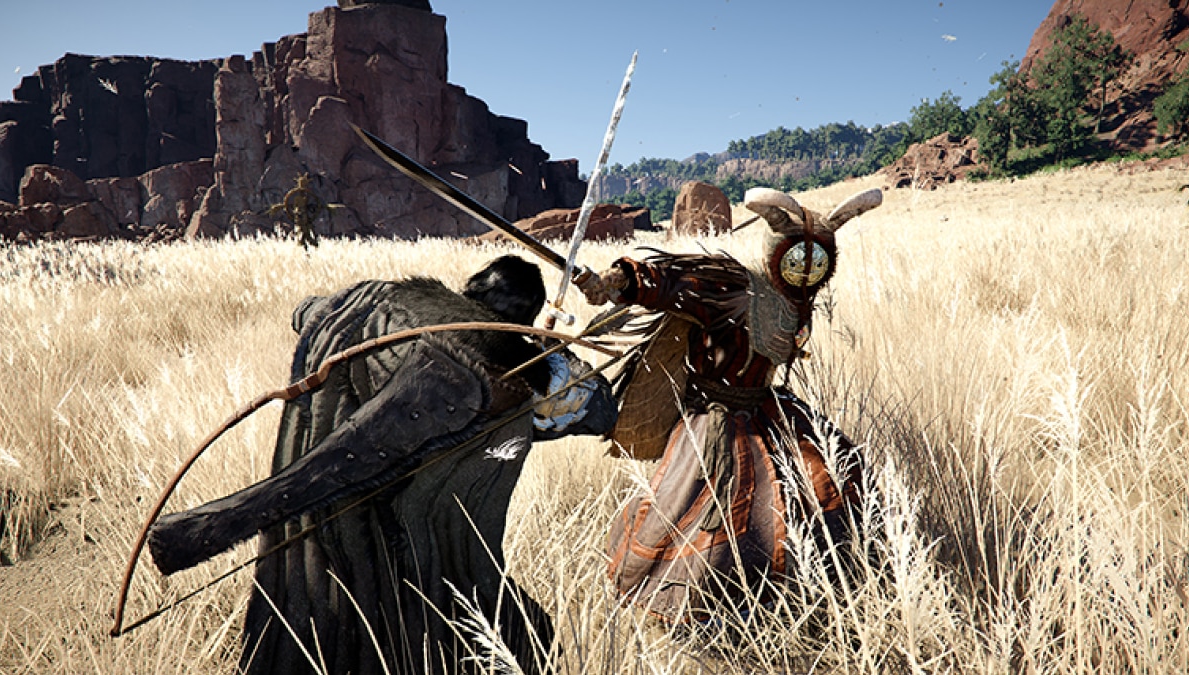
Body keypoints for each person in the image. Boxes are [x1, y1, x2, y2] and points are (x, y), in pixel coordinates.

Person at [194, 254, 615, 675]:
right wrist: (543, 346)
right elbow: (595, 406)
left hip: (334, 530)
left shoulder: (385, 310)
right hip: (416, 550)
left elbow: (308, 310)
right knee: (502, 638)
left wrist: (532, 346)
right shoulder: (519, 375)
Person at [580, 186, 882, 622]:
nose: (805, 273)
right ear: (777, 252)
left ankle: (818, 590)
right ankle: (697, 606)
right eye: (797, 260)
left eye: (817, 264)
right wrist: (611, 284)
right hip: (715, 420)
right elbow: (668, 283)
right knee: (711, 511)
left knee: (831, 476)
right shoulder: (732, 284)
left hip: (767, 407)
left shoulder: (801, 298)